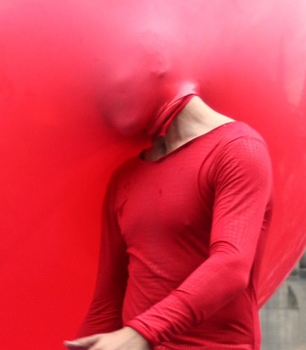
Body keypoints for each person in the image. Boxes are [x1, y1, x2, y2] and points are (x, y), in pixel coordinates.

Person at [64, 47, 273, 349]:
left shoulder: (238, 149)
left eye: (114, 79)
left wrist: (139, 334)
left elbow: (231, 265)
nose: (106, 99)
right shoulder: (125, 178)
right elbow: (106, 304)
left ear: (158, 63)